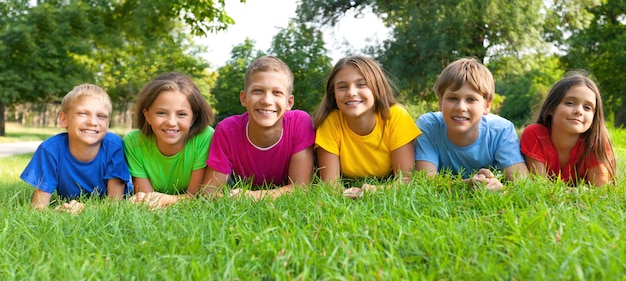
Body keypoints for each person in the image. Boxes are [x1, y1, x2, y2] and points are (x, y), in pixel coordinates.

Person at [201, 56, 315, 200]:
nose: (267, 101)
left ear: (289, 102)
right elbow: (209, 192)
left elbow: (300, 188)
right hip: (235, 184)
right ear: (244, 98)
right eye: (258, 91)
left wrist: (251, 196)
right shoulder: (227, 129)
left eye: (277, 93)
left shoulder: (300, 122)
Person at [314, 55, 421, 198]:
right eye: (342, 87)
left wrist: (374, 190)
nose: (351, 93)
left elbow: (406, 181)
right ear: (334, 94)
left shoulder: (396, 116)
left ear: (377, 88)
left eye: (361, 84)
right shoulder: (331, 122)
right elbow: (330, 187)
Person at [414, 57, 528, 191]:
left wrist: (500, 188)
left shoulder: (501, 130)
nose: (461, 107)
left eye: (471, 99)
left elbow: (522, 183)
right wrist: (467, 184)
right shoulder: (428, 125)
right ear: (440, 103)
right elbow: (426, 182)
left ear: (486, 105)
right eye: (452, 98)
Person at [20, 84, 132, 214]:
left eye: (101, 116)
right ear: (64, 119)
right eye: (83, 113)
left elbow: (115, 205)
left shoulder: (114, 146)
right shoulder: (50, 150)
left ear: (108, 124)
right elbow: (38, 207)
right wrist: (58, 211)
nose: (92, 122)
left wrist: (84, 209)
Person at [124, 72, 215, 208]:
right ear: (147, 115)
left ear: (193, 117)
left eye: (181, 114)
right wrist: (154, 200)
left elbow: (196, 197)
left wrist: (166, 200)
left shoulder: (204, 137)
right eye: (161, 113)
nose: (171, 122)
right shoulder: (133, 142)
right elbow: (147, 200)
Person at [520, 71, 616, 186]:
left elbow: (600, 191)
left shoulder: (596, 142)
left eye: (587, 107)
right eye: (570, 103)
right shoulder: (534, 134)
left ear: (594, 118)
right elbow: (540, 187)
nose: (579, 111)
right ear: (551, 108)